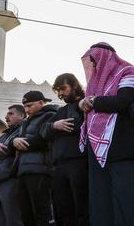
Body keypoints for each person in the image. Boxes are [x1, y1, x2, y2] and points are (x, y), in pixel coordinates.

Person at [78, 42, 134, 226]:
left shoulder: (126, 71)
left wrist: (94, 101)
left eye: (95, 60)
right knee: (100, 199)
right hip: (96, 149)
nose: (94, 65)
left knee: (125, 200)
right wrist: (83, 103)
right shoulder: (93, 83)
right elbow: (88, 105)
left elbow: (123, 101)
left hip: (121, 146)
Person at [41, 73, 89, 226]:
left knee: (81, 207)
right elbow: (43, 131)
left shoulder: (84, 105)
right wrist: (55, 126)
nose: (61, 94)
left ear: (74, 85)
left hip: (78, 163)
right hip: (59, 166)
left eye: (63, 88)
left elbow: (75, 124)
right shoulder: (61, 111)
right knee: (62, 209)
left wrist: (56, 128)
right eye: (58, 90)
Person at [12, 91, 57, 226]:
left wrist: (22, 143)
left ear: (41, 103)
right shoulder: (27, 122)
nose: (26, 110)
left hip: (40, 170)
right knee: (26, 215)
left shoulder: (50, 116)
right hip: (23, 171)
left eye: (30, 106)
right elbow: (12, 142)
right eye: (25, 106)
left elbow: (44, 138)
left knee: (41, 213)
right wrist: (14, 141)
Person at [0, 105, 25, 226]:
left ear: (22, 115)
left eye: (11, 114)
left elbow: (6, 151)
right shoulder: (4, 135)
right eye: (7, 114)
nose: (6, 117)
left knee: (12, 220)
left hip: (10, 181)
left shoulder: (23, 130)